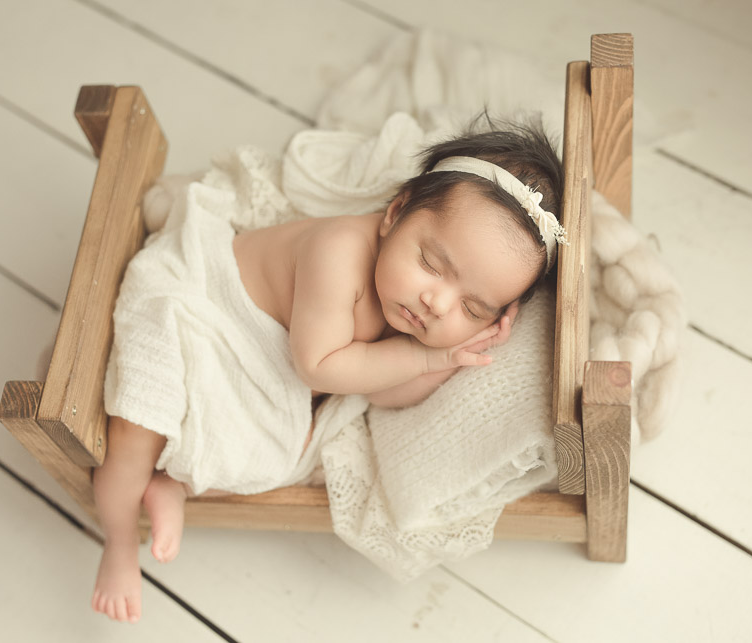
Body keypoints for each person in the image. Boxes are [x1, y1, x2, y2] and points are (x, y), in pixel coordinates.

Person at [91, 119, 565, 623]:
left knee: (280, 454)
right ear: (396, 212)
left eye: (473, 308)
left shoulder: (411, 305)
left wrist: (448, 362)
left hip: (260, 358)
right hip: (203, 300)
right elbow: (319, 369)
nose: (437, 303)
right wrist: (429, 356)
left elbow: (381, 393)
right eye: (431, 262)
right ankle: (118, 542)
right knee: (140, 422)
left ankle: (176, 484)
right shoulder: (339, 249)